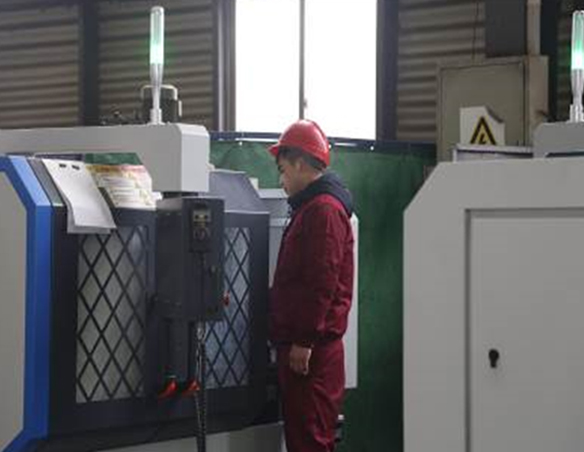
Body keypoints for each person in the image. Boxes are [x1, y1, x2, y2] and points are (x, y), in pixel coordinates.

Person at [268, 119, 355, 452]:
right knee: (305, 438)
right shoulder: (310, 208)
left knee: (310, 441)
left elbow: (321, 281)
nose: (281, 180)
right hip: (305, 349)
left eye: (283, 170)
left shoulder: (323, 211)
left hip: (312, 354)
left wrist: (304, 340)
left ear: (300, 163)